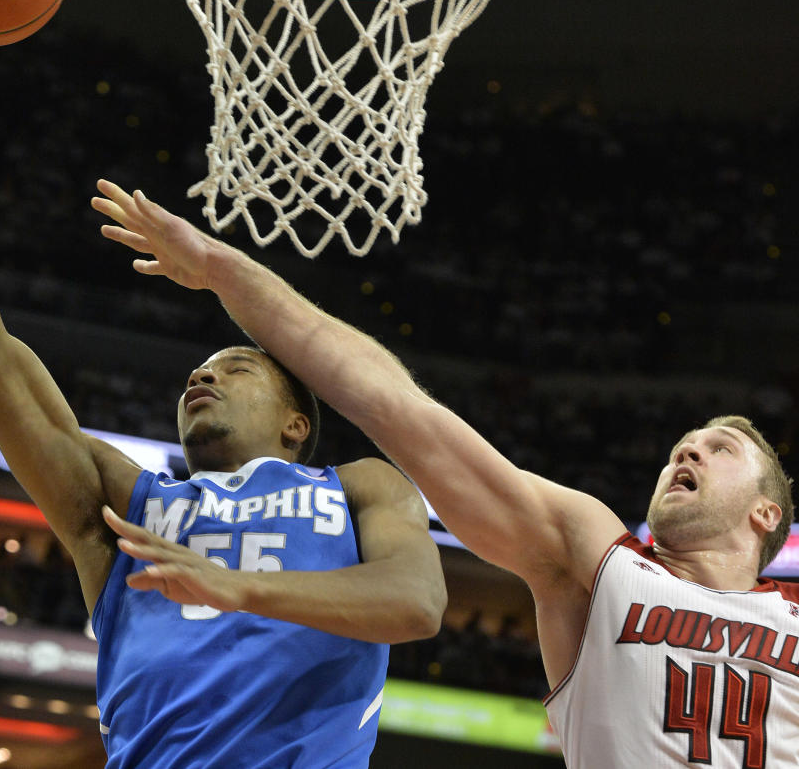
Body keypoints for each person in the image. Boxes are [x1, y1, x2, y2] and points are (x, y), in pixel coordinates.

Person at [92, 180, 799, 767]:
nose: (688, 452)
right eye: (683, 444)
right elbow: (396, 407)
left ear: (766, 513)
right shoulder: (601, 564)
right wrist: (220, 268)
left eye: (718, 448)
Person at [0, 13, 446, 769]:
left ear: (296, 424)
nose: (203, 374)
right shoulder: (126, 507)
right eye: (200, 369)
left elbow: (416, 604)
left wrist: (239, 589)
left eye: (236, 367)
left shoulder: (357, 488)